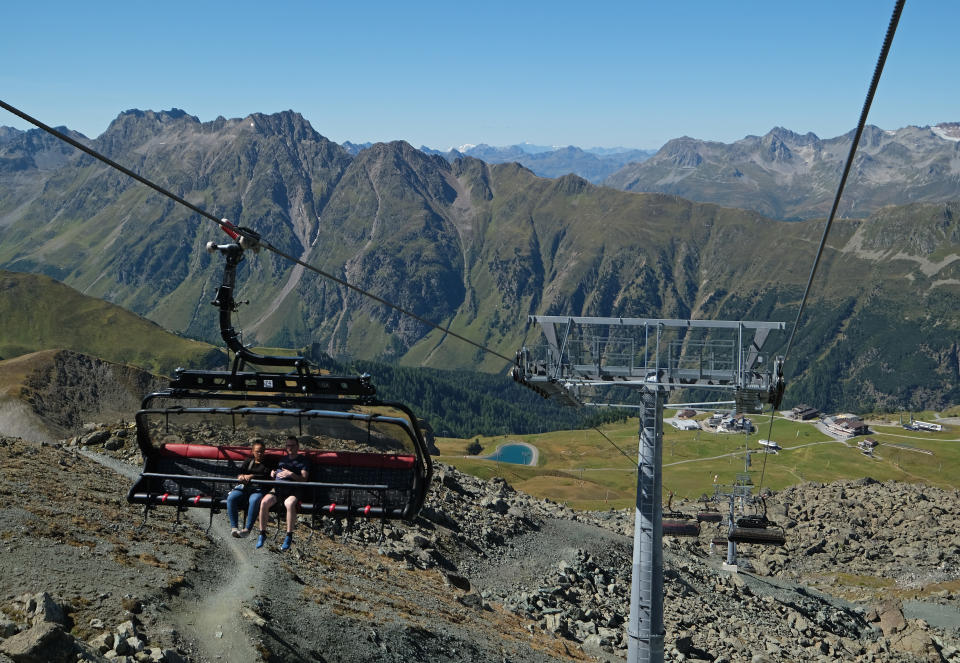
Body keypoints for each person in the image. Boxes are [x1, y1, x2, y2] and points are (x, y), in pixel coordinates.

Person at [256, 435, 310, 551]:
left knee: (289, 504)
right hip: (278, 488)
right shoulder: (283, 460)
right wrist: (273, 474)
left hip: (294, 489)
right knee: (264, 502)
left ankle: (289, 535)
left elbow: (304, 478)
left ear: (297, 446)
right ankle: (262, 533)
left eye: (292, 445)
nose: (289, 448)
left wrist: (291, 474)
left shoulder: (303, 461)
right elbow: (279, 473)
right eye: (287, 446)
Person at [225, 441, 272, 537]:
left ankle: (247, 529)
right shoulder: (248, 461)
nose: (260, 454)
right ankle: (234, 527)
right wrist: (241, 476)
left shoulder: (268, 463)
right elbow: (240, 472)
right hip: (245, 487)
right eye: (257, 451)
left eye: (262, 451)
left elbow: (266, 475)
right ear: (253, 452)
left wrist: (251, 476)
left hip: (259, 488)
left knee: (254, 500)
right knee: (231, 498)